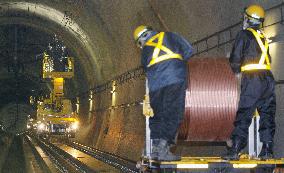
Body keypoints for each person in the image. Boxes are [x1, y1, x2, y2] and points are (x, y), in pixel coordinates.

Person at [223, 4, 276, 160]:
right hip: (268, 79)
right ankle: (267, 150)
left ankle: (235, 150)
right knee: (267, 114)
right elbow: (269, 59)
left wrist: (235, 70)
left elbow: (235, 59)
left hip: (253, 79)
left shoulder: (244, 35)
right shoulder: (264, 37)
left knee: (245, 113)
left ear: (247, 18)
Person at [133, 25, 193, 161]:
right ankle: (162, 149)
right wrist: (178, 63)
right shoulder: (170, 35)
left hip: (155, 87)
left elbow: (146, 70)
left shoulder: (145, 51)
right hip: (174, 79)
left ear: (141, 40)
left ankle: (155, 147)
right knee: (173, 114)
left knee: (158, 115)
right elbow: (189, 50)